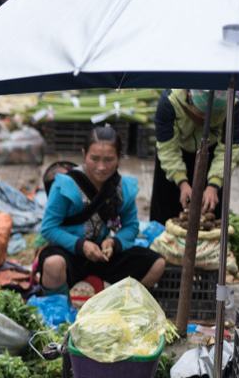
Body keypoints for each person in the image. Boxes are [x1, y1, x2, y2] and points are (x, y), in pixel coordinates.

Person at [38, 126, 166, 294]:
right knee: (53, 264)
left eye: (108, 160)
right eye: (95, 159)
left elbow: (131, 226)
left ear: (119, 158)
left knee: (157, 264)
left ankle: (118, 302)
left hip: (102, 253)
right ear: (84, 154)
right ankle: (61, 307)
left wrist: (114, 242)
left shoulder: (123, 188)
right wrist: (81, 245)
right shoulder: (65, 185)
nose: (101, 167)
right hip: (68, 251)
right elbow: (48, 228)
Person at [150, 89, 239, 226]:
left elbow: (229, 148)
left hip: (211, 157)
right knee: (166, 215)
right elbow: (167, 149)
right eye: (201, 114)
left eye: (212, 116)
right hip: (175, 155)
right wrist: (181, 182)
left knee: (210, 214)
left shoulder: (233, 104)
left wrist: (214, 184)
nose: (205, 120)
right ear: (189, 97)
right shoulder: (169, 102)